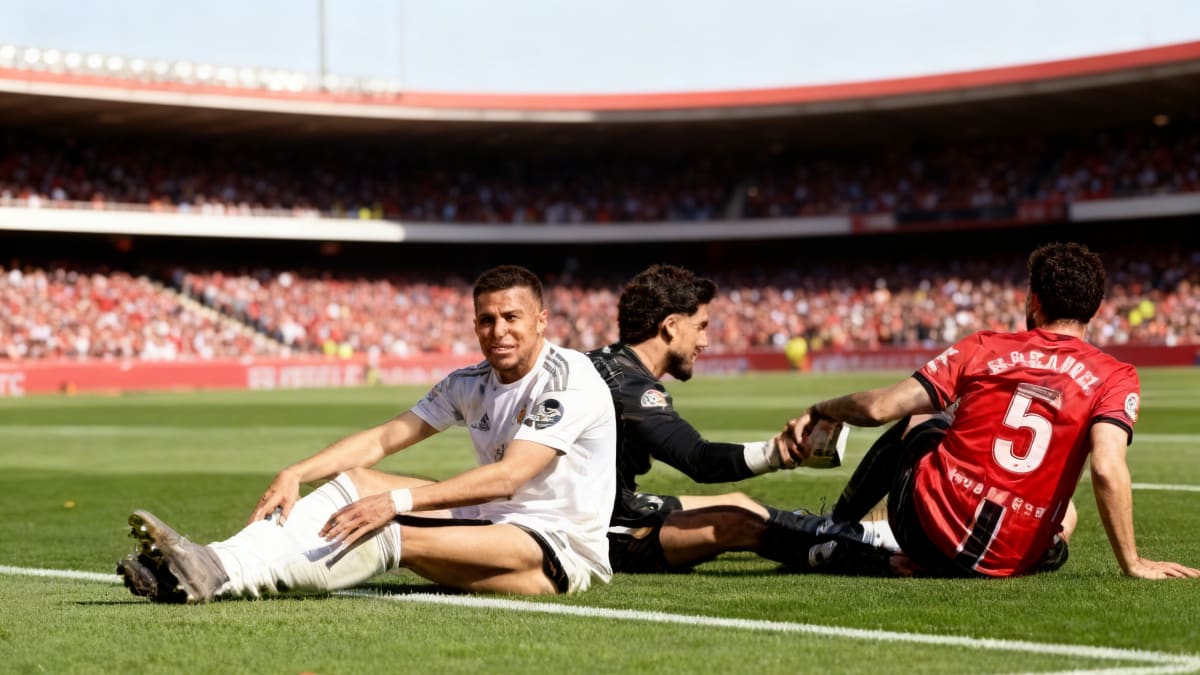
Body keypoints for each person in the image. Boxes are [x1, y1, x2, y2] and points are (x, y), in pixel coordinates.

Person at [117, 265, 618, 602]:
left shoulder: (567, 377)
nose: (499, 331)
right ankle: (207, 561)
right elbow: (382, 440)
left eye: (512, 318)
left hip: (556, 550)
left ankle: (223, 581)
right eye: (486, 320)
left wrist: (396, 502)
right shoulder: (471, 382)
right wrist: (296, 472)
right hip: (493, 522)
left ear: (541, 321)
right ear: (474, 325)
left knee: (383, 525)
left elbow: (510, 476)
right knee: (357, 482)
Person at [779, 242, 1200, 580]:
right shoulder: (1116, 375)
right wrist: (1132, 562)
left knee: (924, 417)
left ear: (1034, 300)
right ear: (1095, 306)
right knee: (1068, 512)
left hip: (929, 535)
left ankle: (838, 523)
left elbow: (878, 408)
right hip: (1012, 558)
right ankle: (890, 544)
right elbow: (1106, 469)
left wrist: (823, 408)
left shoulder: (985, 346)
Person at [588, 264, 895, 574]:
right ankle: (852, 552)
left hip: (609, 503)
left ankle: (840, 532)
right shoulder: (632, 387)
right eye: (700, 327)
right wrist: (778, 453)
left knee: (739, 503)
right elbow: (699, 459)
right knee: (734, 522)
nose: (704, 341)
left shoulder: (600, 362)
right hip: (596, 531)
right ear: (670, 326)